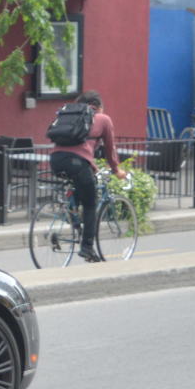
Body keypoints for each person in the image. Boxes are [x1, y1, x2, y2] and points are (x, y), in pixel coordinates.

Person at [50, 90, 127, 262]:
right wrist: (116, 170)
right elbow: (109, 149)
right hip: (78, 163)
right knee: (91, 205)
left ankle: (71, 215)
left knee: (80, 186)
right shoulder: (103, 119)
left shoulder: (67, 113)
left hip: (55, 160)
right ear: (99, 106)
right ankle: (87, 248)